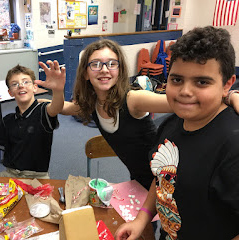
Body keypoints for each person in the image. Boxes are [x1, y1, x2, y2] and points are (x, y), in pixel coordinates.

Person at [115, 26, 239, 240]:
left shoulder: (233, 145)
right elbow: (162, 178)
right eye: (177, 79)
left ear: (227, 84)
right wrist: (142, 218)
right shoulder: (169, 125)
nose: (185, 91)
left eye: (202, 82)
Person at [39, 39, 173, 190]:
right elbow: (62, 107)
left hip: (168, 184)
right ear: (85, 74)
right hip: (139, 181)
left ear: (119, 71)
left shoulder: (133, 99)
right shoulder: (93, 104)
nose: (104, 69)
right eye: (95, 64)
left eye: (112, 63)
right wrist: (55, 92)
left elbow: (178, 104)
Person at [0, 61, 65, 179]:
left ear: (35, 88)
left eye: (26, 82)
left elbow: (56, 107)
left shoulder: (43, 111)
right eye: (15, 84)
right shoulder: (8, 121)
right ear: (10, 93)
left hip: (37, 178)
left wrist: (58, 90)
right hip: (10, 174)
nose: (21, 85)